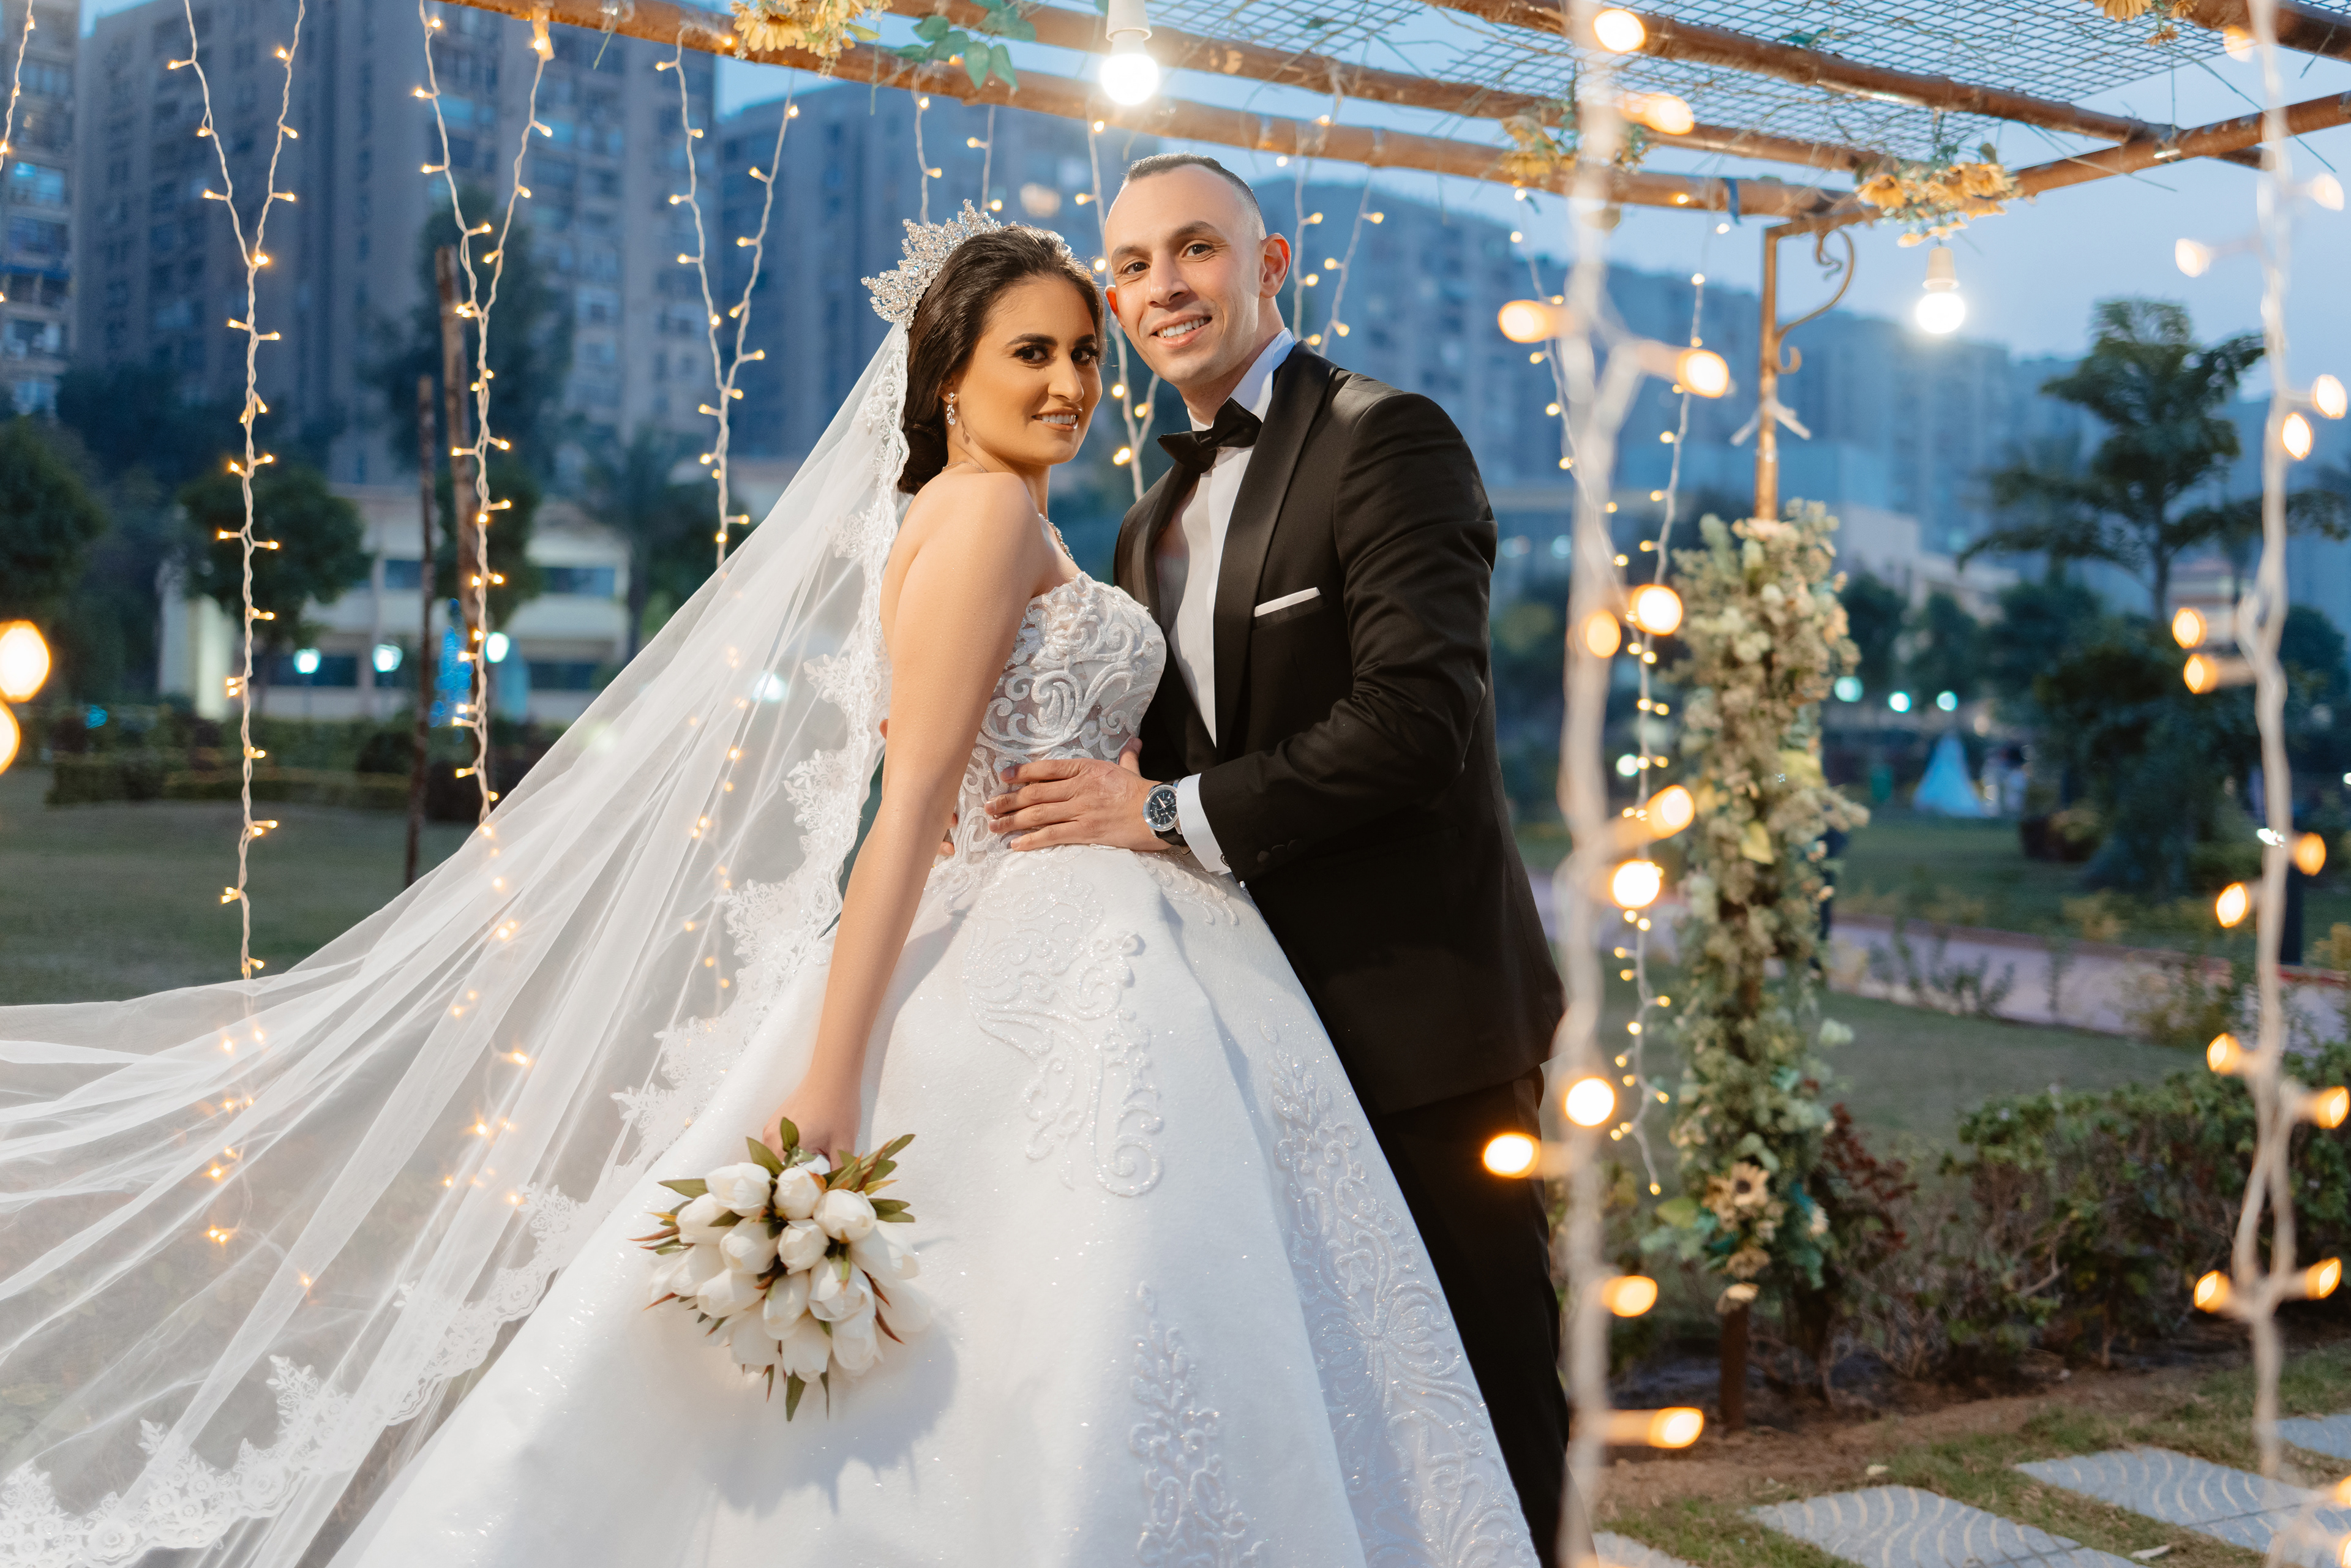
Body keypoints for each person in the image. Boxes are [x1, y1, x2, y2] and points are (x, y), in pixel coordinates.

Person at [0, 211, 1537, 1568]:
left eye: (1084, 352)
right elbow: (910, 805)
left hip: (1098, 925)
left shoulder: (1020, 515)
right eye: (1033, 353)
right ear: (950, 379)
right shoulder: (989, 515)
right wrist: (832, 1082)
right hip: (1051, 947)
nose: (1074, 383)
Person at [981, 154, 1571, 1561]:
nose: (1161, 288)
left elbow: (1416, 723)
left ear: (1271, 264)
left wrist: (1158, 815)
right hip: (1247, 1033)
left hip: (1421, 1021)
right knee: (1340, 1407)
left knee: (1486, 1390)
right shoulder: (1145, 525)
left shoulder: (1389, 438)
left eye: (1194, 248)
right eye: (1131, 267)